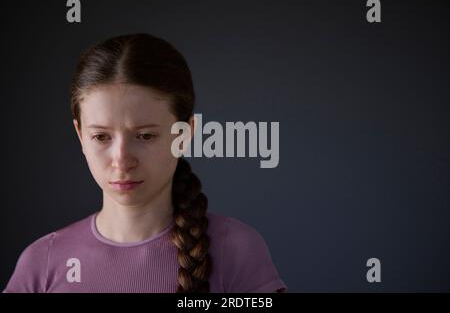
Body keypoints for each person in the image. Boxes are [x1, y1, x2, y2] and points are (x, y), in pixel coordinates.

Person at [4, 33, 287, 293]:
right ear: (80, 134)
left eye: (145, 135)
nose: (122, 160)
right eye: (101, 136)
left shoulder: (236, 250)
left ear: (185, 134)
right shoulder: (42, 262)